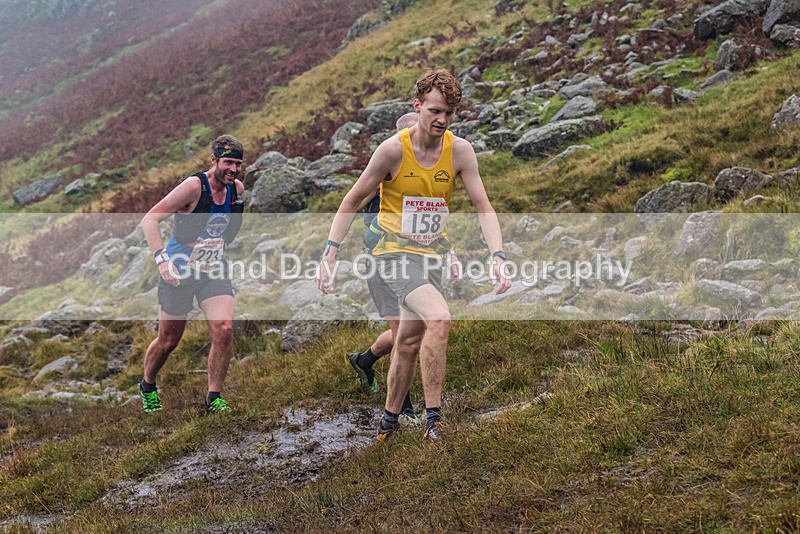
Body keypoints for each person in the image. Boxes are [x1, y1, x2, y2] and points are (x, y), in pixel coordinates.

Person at [317, 68, 511, 441]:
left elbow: (483, 206)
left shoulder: (460, 151)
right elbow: (353, 199)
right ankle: (433, 420)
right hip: (392, 254)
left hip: (429, 256)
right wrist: (330, 252)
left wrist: (497, 255)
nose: (441, 120)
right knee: (439, 318)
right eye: (435, 111)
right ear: (418, 106)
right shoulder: (392, 150)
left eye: (449, 114)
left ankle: (388, 424)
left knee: (406, 341)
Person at [139, 134, 245, 414]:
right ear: (213, 160)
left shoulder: (237, 190)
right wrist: (162, 261)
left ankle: (213, 397)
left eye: (237, 164)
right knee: (169, 340)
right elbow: (150, 219)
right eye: (227, 163)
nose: (232, 169)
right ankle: (148, 384)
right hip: (178, 271)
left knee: (224, 329)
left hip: (212, 269)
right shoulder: (193, 187)